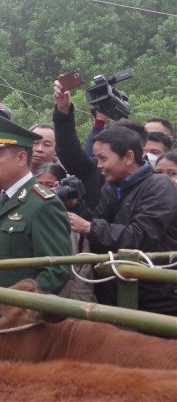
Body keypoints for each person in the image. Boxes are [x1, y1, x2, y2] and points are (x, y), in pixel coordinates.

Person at [67, 127, 177, 315]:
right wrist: (77, 205)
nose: (98, 165)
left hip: (156, 295)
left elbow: (140, 236)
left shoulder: (159, 186)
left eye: (103, 158)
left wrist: (89, 227)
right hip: (116, 288)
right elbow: (100, 225)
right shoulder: (111, 188)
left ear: (128, 157)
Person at [0, 112, 72, 298]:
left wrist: (15, 306)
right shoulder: (3, 200)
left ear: (21, 158)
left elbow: (56, 271)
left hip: (16, 317)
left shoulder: (43, 204)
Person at [34, 163, 97, 303]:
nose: (44, 190)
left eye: (51, 185)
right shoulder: (32, 214)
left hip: (75, 295)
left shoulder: (73, 219)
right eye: (39, 185)